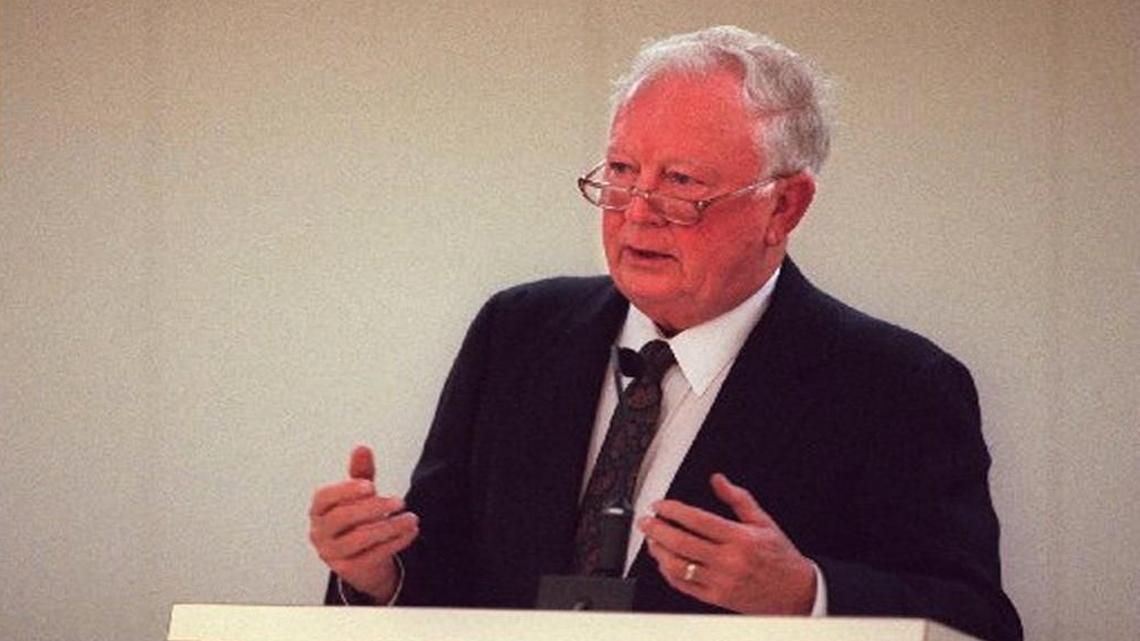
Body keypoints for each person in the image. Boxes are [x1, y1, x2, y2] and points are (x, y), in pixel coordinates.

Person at [308, 25, 1022, 641]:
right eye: (620, 172)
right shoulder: (517, 333)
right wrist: (377, 572)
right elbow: (449, 574)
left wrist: (806, 595)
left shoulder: (894, 384)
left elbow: (977, 620)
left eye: (681, 184)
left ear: (785, 206)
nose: (636, 213)